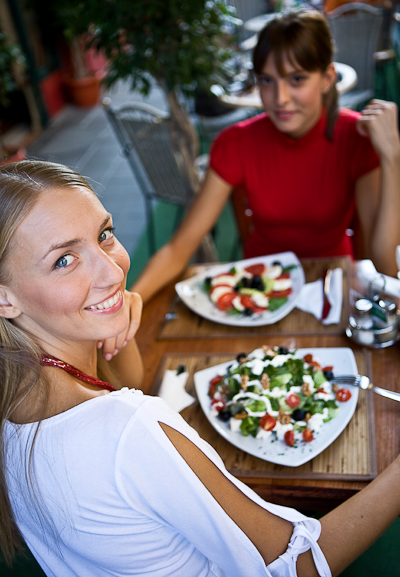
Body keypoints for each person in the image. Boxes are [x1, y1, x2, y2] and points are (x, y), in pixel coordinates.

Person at [1, 160, 400, 577]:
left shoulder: (15, 395)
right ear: (5, 298)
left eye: (104, 235)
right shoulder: (131, 431)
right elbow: (298, 566)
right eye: (64, 260)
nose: (113, 268)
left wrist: (115, 319)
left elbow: (127, 385)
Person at [132, 9, 400, 305]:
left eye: (297, 79)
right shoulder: (236, 142)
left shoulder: (354, 138)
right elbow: (179, 248)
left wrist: (392, 159)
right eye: (267, 81)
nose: (281, 98)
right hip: (258, 291)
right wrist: (132, 303)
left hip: (333, 287)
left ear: (327, 78)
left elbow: (385, 262)